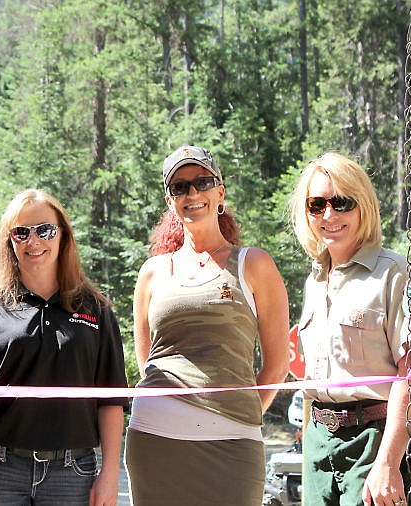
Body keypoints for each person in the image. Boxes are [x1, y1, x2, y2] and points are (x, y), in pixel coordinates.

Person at [125, 145, 290, 506]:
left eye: (202, 182)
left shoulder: (254, 264)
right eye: (180, 187)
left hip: (234, 443)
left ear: (220, 193)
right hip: (154, 438)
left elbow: (278, 365)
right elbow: (147, 363)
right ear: (170, 201)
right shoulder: (152, 272)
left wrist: (238, 413)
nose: (192, 193)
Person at [0, 189, 128, 506]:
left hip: (73, 472)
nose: (33, 241)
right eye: (21, 232)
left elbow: (111, 400)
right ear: (9, 241)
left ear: (63, 235)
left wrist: (109, 474)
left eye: (45, 230)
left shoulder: (97, 309)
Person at [290, 152, 411, 506]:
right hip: (318, 440)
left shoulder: (393, 273)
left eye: (341, 202)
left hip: (373, 439)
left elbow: (410, 374)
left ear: (364, 206)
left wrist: (388, 462)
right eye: (317, 205)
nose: (329, 215)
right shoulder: (315, 279)